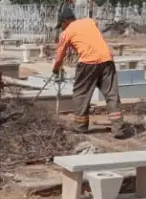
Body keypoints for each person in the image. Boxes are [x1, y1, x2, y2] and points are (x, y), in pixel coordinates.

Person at [52, 7, 126, 138]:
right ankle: (118, 128)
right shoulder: (89, 22)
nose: (61, 28)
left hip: (88, 63)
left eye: (61, 25)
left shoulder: (66, 32)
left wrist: (56, 69)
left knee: (81, 94)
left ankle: (80, 126)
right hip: (107, 60)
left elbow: (59, 55)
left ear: (66, 21)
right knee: (112, 94)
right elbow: (94, 24)